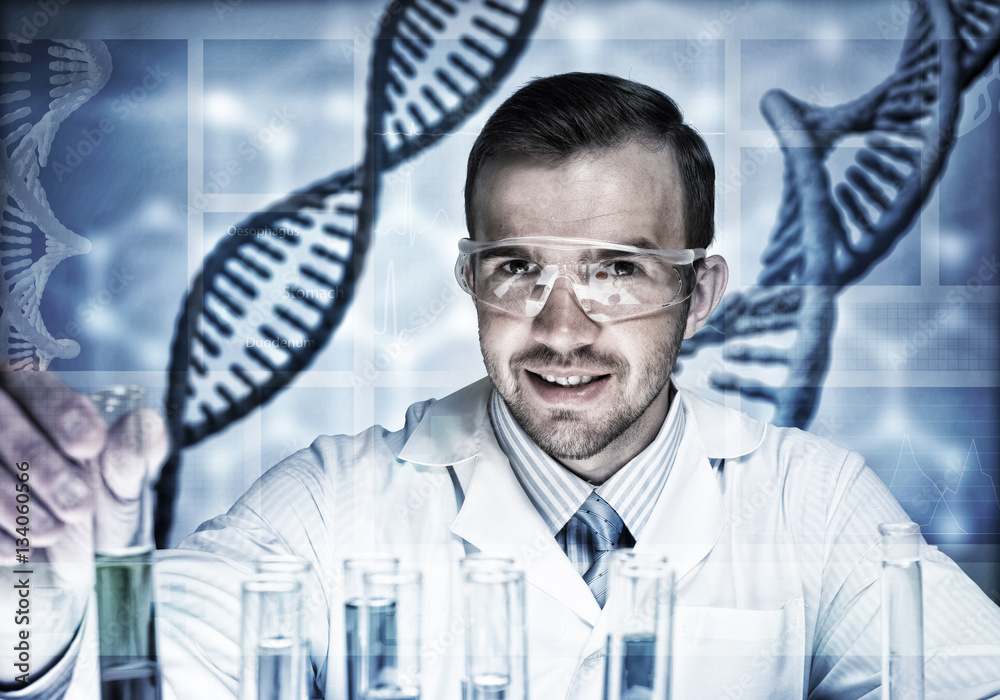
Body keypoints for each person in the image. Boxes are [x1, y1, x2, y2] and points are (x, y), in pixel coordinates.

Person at [2, 72, 999, 699]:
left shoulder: (811, 500)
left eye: (615, 269)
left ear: (699, 293)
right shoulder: (333, 499)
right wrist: (35, 603)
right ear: (470, 279)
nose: (562, 329)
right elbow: (147, 668)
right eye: (519, 268)